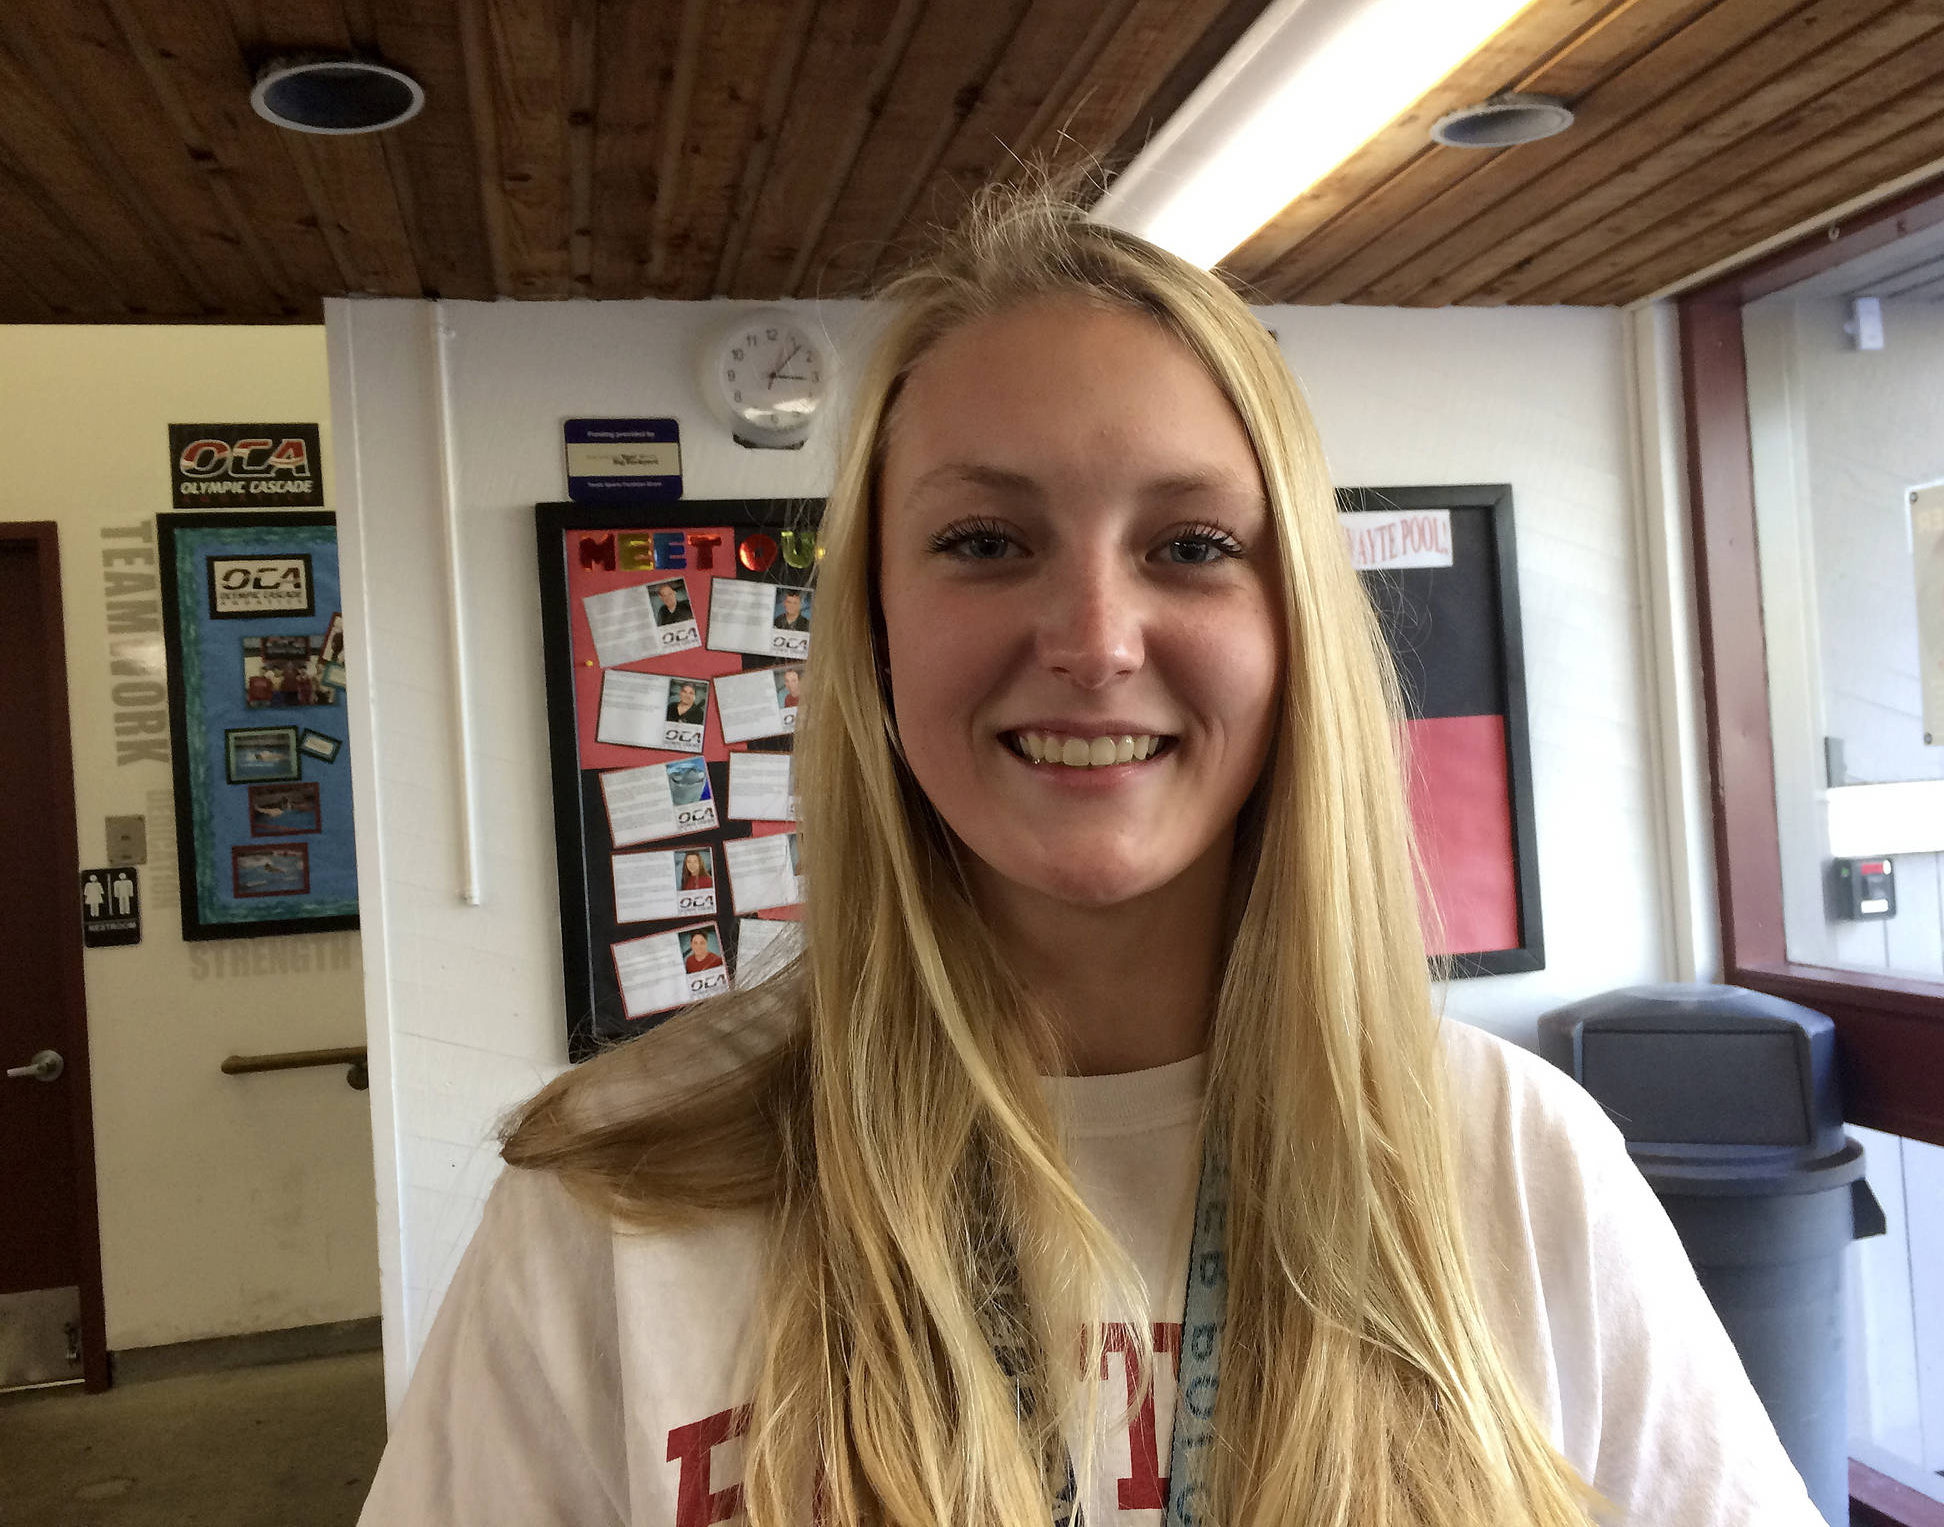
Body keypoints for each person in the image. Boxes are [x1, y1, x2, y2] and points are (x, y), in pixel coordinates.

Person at [361, 187, 1822, 1527]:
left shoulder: (1515, 1162)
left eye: (1189, 544)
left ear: (1293, 621)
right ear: (869, 626)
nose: (1094, 641)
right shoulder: (609, 1207)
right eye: (987, 540)